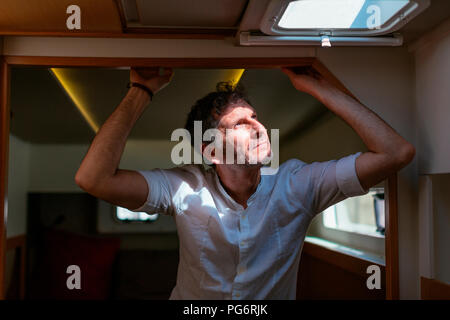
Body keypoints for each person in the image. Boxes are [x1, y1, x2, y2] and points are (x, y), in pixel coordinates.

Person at [75, 67, 415, 299]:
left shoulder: (297, 183)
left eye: (256, 117)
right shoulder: (183, 187)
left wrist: (319, 86)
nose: (258, 127)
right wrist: (141, 90)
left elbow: (396, 153)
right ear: (210, 150)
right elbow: (93, 179)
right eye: (240, 122)